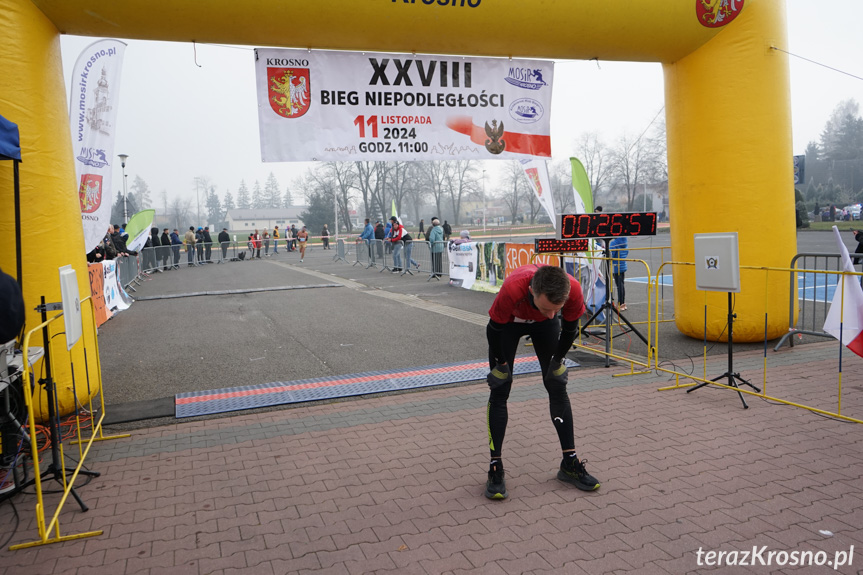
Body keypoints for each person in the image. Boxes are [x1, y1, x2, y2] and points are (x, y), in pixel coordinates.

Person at [483, 264, 600, 500]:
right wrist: (501, 365)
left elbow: (569, 330)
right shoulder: (512, 288)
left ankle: (569, 463)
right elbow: (494, 329)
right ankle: (495, 466)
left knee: (557, 386)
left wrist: (557, 361)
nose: (550, 313)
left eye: (555, 309)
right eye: (546, 307)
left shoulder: (572, 290)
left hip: (543, 329)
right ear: (531, 292)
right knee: (500, 388)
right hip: (509, 325)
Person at [609, 236, 628, 311]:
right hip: (623, 265)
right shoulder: (625, 242)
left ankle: (620, 303)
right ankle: (622, 302)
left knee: (619, 285)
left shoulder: (614, 243)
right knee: (621, 285)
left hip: (616, 267)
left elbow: (611, 255)